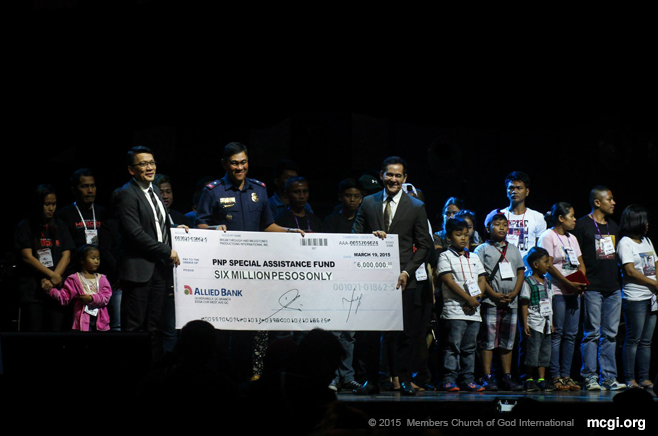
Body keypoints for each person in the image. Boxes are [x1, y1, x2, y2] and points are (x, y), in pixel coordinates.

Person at [195, 142, 305, 382]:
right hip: (223, 271)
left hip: (255, 271)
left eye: (243, 162)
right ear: (225, 164)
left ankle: (256, 375)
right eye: (234, 163)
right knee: (224, 327)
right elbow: (199, 225)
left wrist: (289, 232)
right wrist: (214, 228)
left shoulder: (260, 189)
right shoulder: (212, 190)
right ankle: (224, 375)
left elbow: (267, 226)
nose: (239, 167)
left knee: (256, 325)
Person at [351, 156, 433, 396]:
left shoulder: (416, 206)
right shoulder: (368, 202)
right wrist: (369, 239)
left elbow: (424, 244)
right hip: (372, 279)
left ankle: (405, 380)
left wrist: (407, 271)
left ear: (405, 178)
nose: (393, 179)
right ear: (381, 176)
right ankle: (372, 381)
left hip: (403, 279)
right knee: (370, 333)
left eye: (398, 175)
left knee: (405, 333)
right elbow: (354, 236)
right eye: (389, 174)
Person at [115, 146, 182, 361]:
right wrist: (166, 251)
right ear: (131, 170)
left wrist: (175, 231)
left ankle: (152, 372)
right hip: (138, 271)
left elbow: (157, 226)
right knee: (134, 328)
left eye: (152, 162)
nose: (149, 167)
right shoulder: (126, 193)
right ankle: (131, 372)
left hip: (159, 271)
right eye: (143, 164)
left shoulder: (154, 191)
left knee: (155, 327)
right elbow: (135, 233)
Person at [573, 186, 625, 390]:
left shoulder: (613, 226)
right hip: (592, 287)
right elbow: (575, 257)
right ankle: (590, 376)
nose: (613, 203)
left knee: (610, 334)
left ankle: (609, 377)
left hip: (613, 287)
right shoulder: (583, 225)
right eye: (609, 199)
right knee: (592, 333)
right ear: (597, 202)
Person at [538, 202, 587, 391]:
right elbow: (548, 266)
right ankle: (555, 375)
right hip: (557, 291)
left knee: (571, 335)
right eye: (571, 216)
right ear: (560, 218)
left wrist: (581, 281)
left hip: (574, 291)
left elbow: (581, 262)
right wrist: (568, 284)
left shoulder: (572, 238)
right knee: (556, 334)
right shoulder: (548, 236)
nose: (575, 220)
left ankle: (567, 376)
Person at [474, 210, 525, 392]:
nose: (501, 228)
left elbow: (520, 271)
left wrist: (515, 292)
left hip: (511, 302)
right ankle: (487, 376)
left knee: (507, 340)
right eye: (496, 224)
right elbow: (480, 276)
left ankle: (506, 376)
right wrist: (493, 294)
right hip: (491, 301)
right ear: (488, 228)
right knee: (488, 340)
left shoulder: (513, 249)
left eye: (504, 224)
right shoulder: (482, 249)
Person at [14, 184, 75, 331]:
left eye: (53, 204)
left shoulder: (60, 225)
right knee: (34, 333)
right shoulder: (25, 226)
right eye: (47, 204)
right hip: (33, 291)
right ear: (38, 204)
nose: (51, 208)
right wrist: (51, 275)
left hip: (55, 290)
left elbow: (66, 255)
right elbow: (27, 257)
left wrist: (55, 278)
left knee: (55, 333)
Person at [437, 217, 487, 392]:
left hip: (473, 310)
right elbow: (448, 281)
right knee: (452, 347)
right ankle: (448, 379)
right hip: (454, 311)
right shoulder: (445, 256)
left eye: (466, 234)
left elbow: (482, 279)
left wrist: (476, 299)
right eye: (459, 235)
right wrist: (468, 298)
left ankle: (468, 379)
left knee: (470, 347)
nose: (464, 238)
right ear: (449, 237)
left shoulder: (473, 257)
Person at [323, 178, 363, 392]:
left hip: (356, 283)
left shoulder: (364, 221)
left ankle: (348, 376)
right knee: (335, 333)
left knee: (350, 334)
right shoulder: (331, 221)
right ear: (341, 197)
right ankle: (332, 376)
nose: (353, 200)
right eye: (349, 195)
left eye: (357, 196)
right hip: (334, 282)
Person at [617, 204, 657, 391]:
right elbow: (630, 271)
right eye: (644, 220)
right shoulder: (625, 242)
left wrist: (657, 285)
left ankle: (644, 377)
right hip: (635, 298)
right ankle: (630, 378)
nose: (647, 224)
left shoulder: (646, 241)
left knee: (646, 341)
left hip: (652, 297)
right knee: (633, 339)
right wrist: (654, 284)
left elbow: (656, 263)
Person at [47, 244, 112, 331]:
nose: (96, 261)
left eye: (98, 258)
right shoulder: (74, 279)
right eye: (93, 258)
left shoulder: (102, 279)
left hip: (100, 322)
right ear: (82, 260)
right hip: (82, 322)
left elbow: (106, 297)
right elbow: (64, 297)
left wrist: (91, 298)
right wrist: (50, 290)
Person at [56, 168, 105, 276]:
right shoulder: (64, 214)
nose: (90, 191)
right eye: (84, 186)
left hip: (102, 274)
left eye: (92, 186)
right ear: (74, 190)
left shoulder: (103, 213)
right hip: (75, 274)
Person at [518, 247, 554, 392]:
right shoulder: (528, 282)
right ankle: (529, 378)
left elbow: (550, 303)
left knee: (544, 352)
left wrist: (552, 322)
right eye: (545, 262)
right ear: (535, 264)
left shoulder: (547, 282)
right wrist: (525, 322)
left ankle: (541, 379)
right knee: (532, 351)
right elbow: (524, 303)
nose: (548, 265)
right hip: (534, 321)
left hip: (546, 322)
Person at [493, 171, 546, 264]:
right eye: (511, 188)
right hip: (502, 265)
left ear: (527, 191)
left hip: (527, 270)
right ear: (506, 191)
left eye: (519, 188)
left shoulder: (537, 217)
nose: (514, 191)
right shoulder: (498, 215)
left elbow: (539, 249)